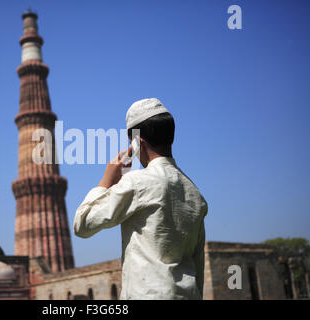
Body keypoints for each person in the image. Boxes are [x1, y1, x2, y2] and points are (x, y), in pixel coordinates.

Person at [73, 98, 208, 300]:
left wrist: (106, 181)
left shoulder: (137, 183)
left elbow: (82, 224)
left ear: (137, 143)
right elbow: (197, 265)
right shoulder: (195, 193)